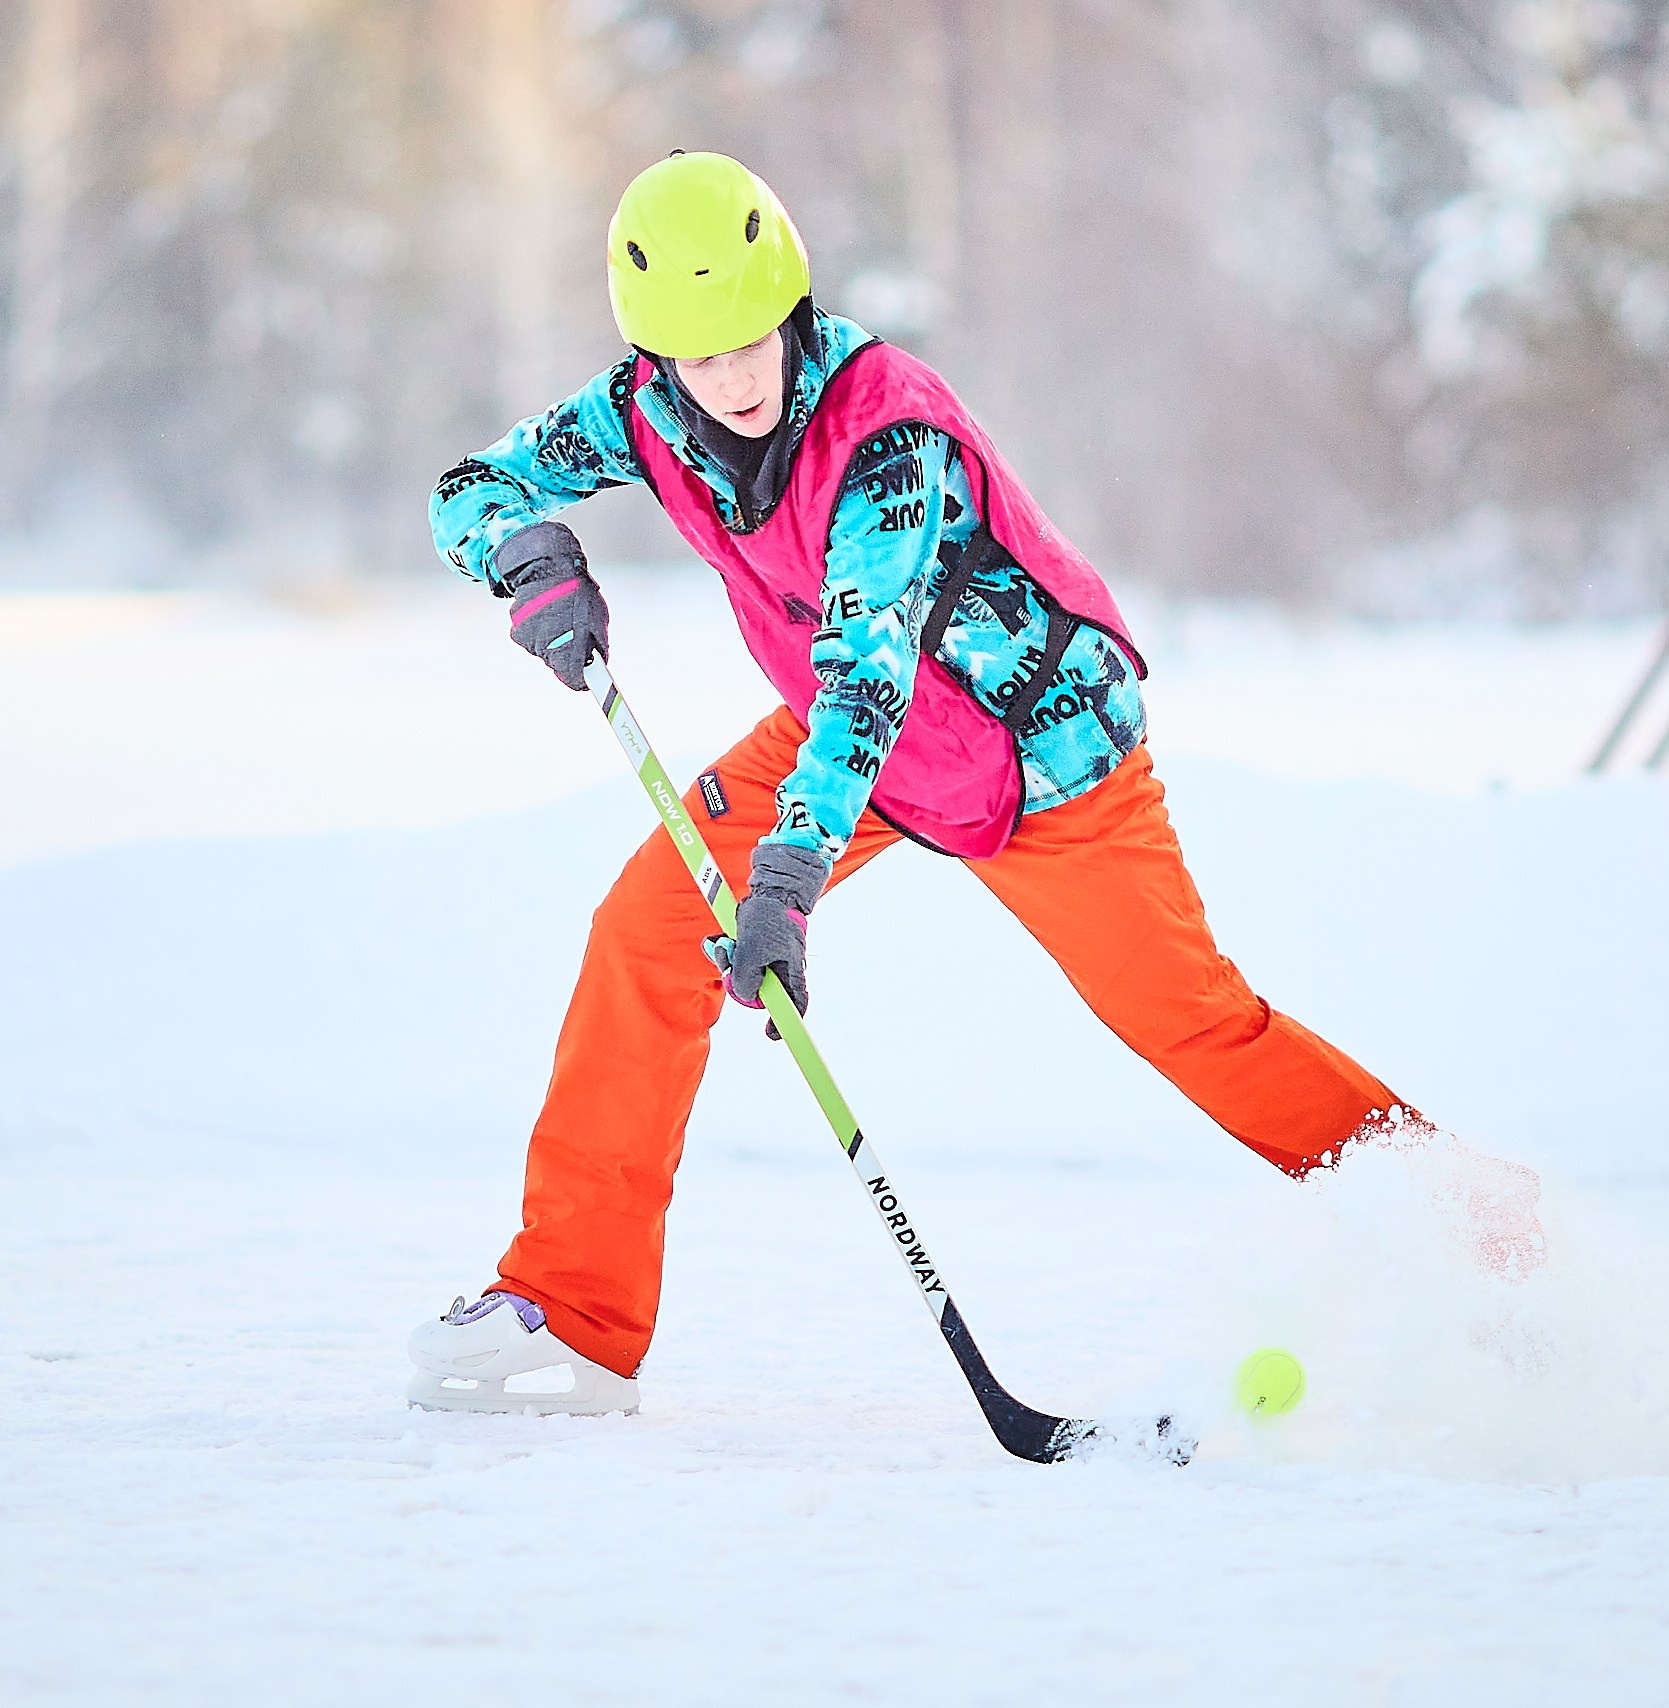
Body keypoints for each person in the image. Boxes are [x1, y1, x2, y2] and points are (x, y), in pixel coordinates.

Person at [406, 152, 1534, 1418]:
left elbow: (866, 674)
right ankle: (572, 1308)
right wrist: (525, 558)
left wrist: (786, 878)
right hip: (859, 747)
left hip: (1036, 751)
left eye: (748, 342)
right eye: (693, 357)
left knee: (1193, 1022)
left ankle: (1485, 1237)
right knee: (645, 929)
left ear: (789, 304)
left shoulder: (889, 433)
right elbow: (469, 485)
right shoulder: (643, 409)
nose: (728, 380)